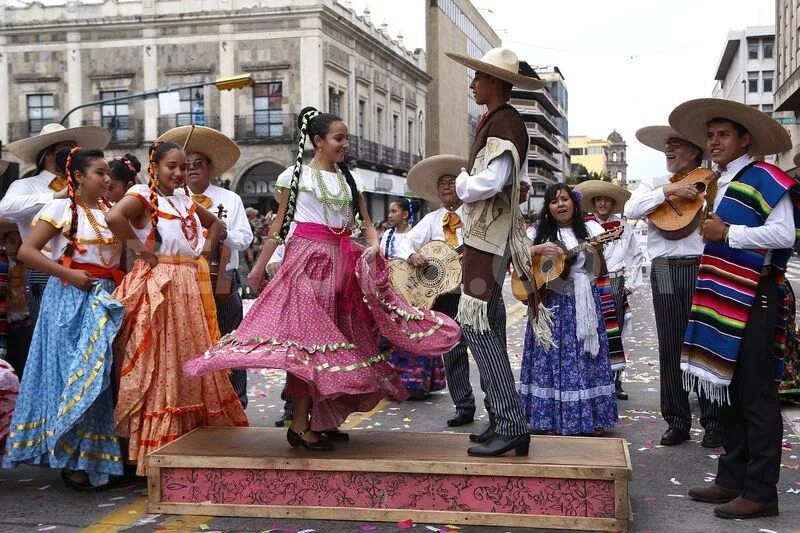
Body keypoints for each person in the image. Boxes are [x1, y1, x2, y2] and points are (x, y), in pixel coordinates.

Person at [183, 107, 459, 452]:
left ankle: (323, 420)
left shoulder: (349, 177)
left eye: (346, 139)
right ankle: (299, 426)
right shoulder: (293, 176)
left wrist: (373, 245)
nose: (345, 144)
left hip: (342, 265)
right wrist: (258, 267)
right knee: (308, 347)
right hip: (307, 264)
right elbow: (279, 227)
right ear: (318, 141)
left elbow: (366, 222)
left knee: (338, 344)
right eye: (339, 138)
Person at [668, 99, 796, 519]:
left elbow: (783, 233)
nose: (715, 141)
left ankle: (760, 491)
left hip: (754, 296)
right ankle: (732, 476)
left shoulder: (765, 178)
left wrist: (728, 233)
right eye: (711, 135)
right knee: (729, 391)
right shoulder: (718, 181)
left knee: (756, 397)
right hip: (725, 297)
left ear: (745, 139)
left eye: (724, 134)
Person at [105, 141, 248, 476]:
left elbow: (217, 226)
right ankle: (157, 451)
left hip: (188, 285)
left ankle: (189, 442)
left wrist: (205, 251)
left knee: (186, 358)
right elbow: (114, 216)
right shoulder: (143, 194)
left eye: (183, 167)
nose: (179, 173)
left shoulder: (184, 199)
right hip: (163, 284)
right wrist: (140, 250)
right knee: (161, 363)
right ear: (154, 166)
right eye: (172, 166)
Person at [3, 147, 125, 490]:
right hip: (68, 300)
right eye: (100, 173)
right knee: (73, 378)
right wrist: (68, 275)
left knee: (97, 381)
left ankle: (95, 461)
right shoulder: (58, 208)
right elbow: (28, 252)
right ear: (80, 176)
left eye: (108, 174)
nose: (106, 179)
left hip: (102, 300)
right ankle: (71, 461)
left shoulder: (111, 212)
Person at [445, 47, 541, 456]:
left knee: (477, 324)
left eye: (479, 78)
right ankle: (503, 416)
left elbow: (491, 180)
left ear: (496, 83)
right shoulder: (498, 119)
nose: (473, 84)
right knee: (489, 324)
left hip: (489, 237)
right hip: (486, 235)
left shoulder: (504, 120)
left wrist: (462, 182)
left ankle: (510, 421)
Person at [624, 125, 721, 448]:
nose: (668, 150)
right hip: (664, 269)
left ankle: (714, 421)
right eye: (667, 146)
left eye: (676, 144)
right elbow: (630, 209)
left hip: (701, 266)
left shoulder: (713, 183)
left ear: (694, 151)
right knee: (670, 344)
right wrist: (668, 193)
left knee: (705, 346)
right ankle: (677, 421)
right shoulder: (653, 184)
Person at [156, 126, 254, 409]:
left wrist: (220, 232)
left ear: (210, 167)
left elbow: (245, 238)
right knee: (187, 343)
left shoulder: (229, 199)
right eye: (186, 165)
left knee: (228, 339)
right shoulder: (168, 199)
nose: (191, 170)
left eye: (198, 164)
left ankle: (236, 400)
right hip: (181, 281)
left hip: (221, 278)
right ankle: (195, 404)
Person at [397, 154, 494, 426]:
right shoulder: (432, 219)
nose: (446, 187)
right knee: (452, 352)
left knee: (484, 351)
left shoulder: (476, 215)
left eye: (452, 182)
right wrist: (412, 256)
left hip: (474, 293)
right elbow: (406, 243)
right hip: (444, 297)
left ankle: (494, 404)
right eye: (442, 184)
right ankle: (463, 406)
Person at [520, 184, 618, 436]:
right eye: (554, 201)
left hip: (582, 299)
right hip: (550, 300)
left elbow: (599, 272)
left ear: (574, 203)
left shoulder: (591, 230)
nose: (560, 204)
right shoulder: (537, 231)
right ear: (548, 207)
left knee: (586, 357)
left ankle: (591, 416)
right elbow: (517, 256)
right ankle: (549, 418)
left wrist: (596, 252)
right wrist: (539, 249)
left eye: (564, 199)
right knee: (549, 355)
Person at [0, 124, 110, 325]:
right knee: (50, 333)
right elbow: (4, 209)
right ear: (48, 155)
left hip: (88, 274)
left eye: (76, 150)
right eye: (66, 150)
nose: (73, 155)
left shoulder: (87, 186)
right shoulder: (26, 185)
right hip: (42, 269)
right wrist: (55, 196)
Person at [576, 180, 644, 401]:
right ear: (593, 203)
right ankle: (593, 380)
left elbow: (635, 256)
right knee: (589, 331)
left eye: (607, 199)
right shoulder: (584, 226)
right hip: (590, 284)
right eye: (598, 199)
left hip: (615, 283)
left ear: (613, 204)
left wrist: (630, 286)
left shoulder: (624, 227)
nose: (602, 203)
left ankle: (616, 381)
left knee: (614, 334)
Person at [380, 198, 445, 400]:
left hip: (415, 294)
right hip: (392, 293)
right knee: (392, 338)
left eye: (394, 211)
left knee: (416, 336)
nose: (390, 215)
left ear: (405, 214)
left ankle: (417, 384)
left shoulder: (417, 235)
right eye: (389, 211)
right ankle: (393, 383)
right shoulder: (387, 236)